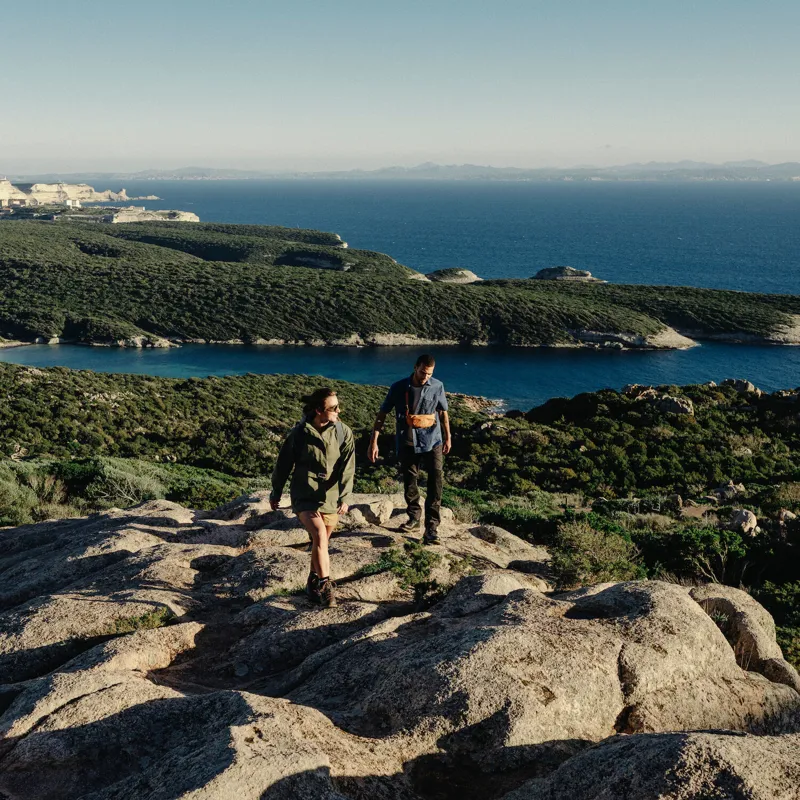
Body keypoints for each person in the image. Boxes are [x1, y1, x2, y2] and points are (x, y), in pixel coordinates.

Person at [270, 387, 355, 607]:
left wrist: (345, 496)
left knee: (321, 542)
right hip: (304, 493)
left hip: (330, 495)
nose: (339, 410)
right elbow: (283, 464)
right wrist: (276, 492)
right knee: (319, 535)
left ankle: (313, 584)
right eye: (334, 407)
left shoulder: (343, 432)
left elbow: (348, 467)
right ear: (319, 410)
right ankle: (326, 587)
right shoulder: (299, 434)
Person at [368, 354, 451, 544]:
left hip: (433, 440)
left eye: (429, 374)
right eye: (423, 372)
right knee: (410, 480)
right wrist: (374, 441)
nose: (425, 377)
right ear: (415, 367)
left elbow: (443, 413)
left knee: (436, 481)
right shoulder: (398, 387)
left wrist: (448, 437)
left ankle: (431, 528)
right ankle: (414, 517)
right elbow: (382, 414)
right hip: (408, 441)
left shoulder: (437, 386)